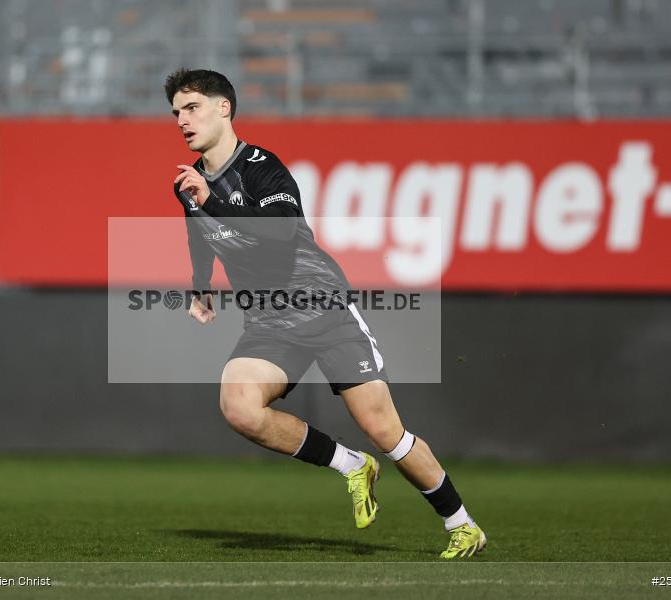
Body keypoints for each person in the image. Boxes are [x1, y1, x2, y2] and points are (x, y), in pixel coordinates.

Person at [165, 68, 486, 559]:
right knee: (239, 406)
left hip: (325, 309)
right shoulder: (189, 185)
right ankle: (351, 465)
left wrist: (214, 201)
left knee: (384, 431)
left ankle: (462, 524)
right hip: (270, 322)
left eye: (192, 108)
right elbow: (198, 232)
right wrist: (201, 286)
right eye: (176, 113)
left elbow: (280, 232)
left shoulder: (262, 168)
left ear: (223, 107)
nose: (182, 120)